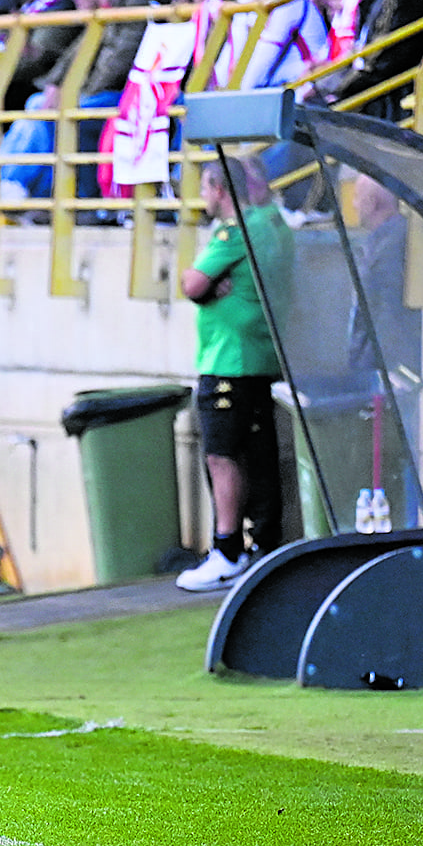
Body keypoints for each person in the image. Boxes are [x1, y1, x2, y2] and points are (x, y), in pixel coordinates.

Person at [177, 158, 287, 592]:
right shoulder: (272, 224)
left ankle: (226, 551)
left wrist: (206, 286)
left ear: (219, 188)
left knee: (222, 455)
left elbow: (191, 284)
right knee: (256, 454)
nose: (203, 197)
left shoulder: (235, 230)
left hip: (229, 362)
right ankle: (263, 545)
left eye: (205, 187)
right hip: (256, 360)